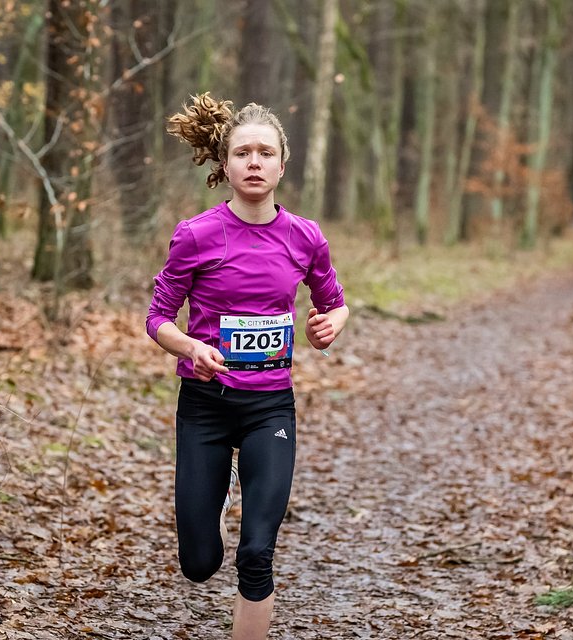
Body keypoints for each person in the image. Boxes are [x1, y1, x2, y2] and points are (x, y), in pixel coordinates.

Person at [146, 93, 349, 639]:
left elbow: (334, 301)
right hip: (205, 406)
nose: (254, 162)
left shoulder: (306, 237)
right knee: (198, 564)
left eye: (265, 152)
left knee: (256, 552)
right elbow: (157, 319)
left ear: (283, 164)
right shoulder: (196, 235)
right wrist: (191, 348)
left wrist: (330, 325)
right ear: (225, 164)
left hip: (269, 409)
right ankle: (214, 489)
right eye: (243, 153)